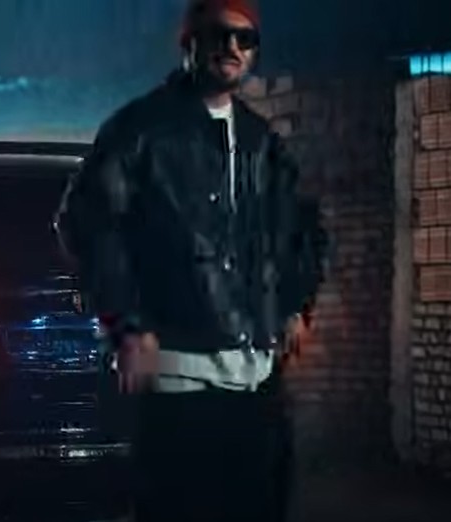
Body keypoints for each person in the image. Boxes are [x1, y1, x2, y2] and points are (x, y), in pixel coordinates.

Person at [54, 0, 327, 520]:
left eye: (245, 39)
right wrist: (128, 325)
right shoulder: (140, 129)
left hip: (256, 378)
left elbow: (300, 227)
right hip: (177, 378)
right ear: (189, 43)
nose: (232, 48)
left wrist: (297, 304)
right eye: (219, 35)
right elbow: (88, 224)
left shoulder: (259, 139)